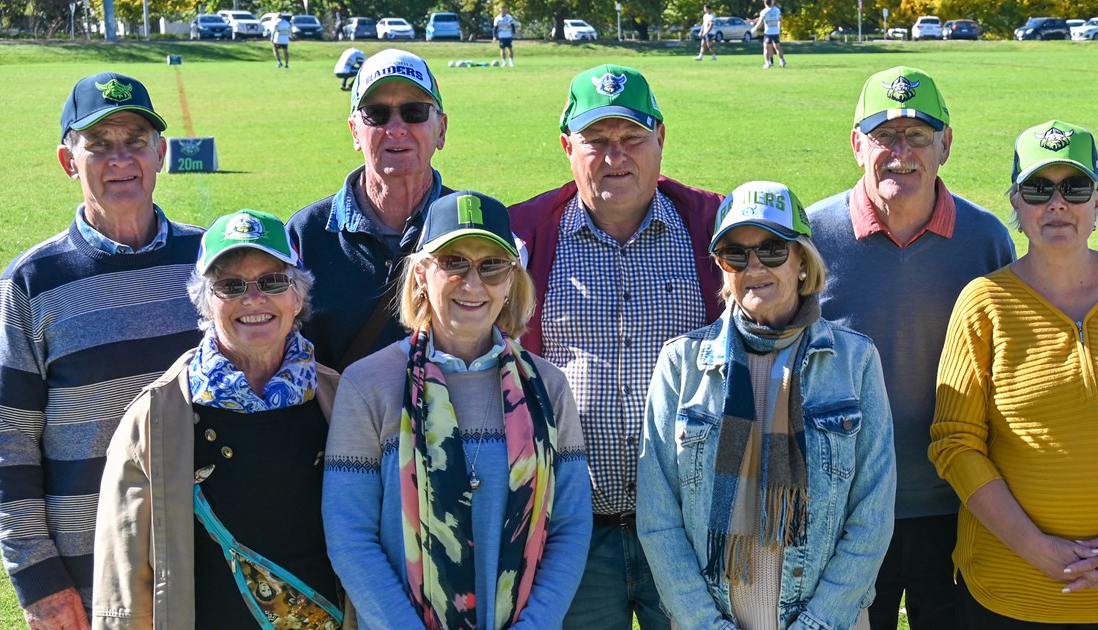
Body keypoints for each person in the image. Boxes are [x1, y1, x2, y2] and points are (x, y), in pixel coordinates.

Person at [931, 121, 1098, 629]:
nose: (1057, 204)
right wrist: (1034, 548)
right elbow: (956, 443)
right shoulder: (984, 303)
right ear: (1015, 204)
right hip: (1007, 586)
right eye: (1038, 189)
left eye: (1074, 188)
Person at [0, 72, 203, 628]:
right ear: (68, 161)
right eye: (98, 144)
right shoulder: (31, 284)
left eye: (134, 141)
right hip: (94, 573)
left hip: (210, 561)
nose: (119, 158)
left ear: (161, 154)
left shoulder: (213, 264)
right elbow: (7, 445)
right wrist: (40, 584)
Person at [506, 64, 725, 630]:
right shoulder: (523, 237)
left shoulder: (714, 229)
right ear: (566, 146)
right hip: (573, 530)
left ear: (661, 139)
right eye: (596, 141)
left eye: (632, 138)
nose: (615, 156)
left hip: (688, 533)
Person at [805, 65, 1015, 630]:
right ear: (856, 145)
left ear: (945, 144)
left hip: (956, 501)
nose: (902, 153)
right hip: (841, 510)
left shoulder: (986, 237)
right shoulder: (810, 238)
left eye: (918, 136)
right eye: (884, 136)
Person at [323, 191, 592, 628]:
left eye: (491, 266)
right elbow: (351, 539)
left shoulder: (549, 387)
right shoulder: (367, 383)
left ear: (511, 281)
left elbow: (570, 528)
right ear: (422, 275)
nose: (473, 284)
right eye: (454, 263)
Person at [637, 181, 895, 630]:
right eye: (736, 254)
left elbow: (872, 513)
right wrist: (705, 623)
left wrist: (817, 622)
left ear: (801, 260)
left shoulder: (856, 361)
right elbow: (659, 518)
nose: (754, 266)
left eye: (772, 250)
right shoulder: (681, 363)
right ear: (722, 267)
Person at [92, 210, 346, 629]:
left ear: (298, 297)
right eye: (230, 286)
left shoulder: (339, 399)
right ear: (206, 302)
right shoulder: (155, 415)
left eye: (273, 281)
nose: (253, 299)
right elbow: (122, 579)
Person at [288, 50, 459, 372]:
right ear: (355, 131)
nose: (396, 128)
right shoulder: (305, 233)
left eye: (414, 112)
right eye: (377, 115)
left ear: (442, 129)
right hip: (341, 421)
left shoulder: (471, 225)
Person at [752, 0, 785, 68]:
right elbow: (780, 20)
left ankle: (767, 63)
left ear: (765, 3)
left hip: (768, 32)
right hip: (776, 32)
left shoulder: (764, 11)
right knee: (778, 47)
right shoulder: (777, 10)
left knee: (766, 48)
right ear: (772, 2)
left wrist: (754, 29)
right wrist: (779, 28)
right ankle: (782, 61)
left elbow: (760, 22)